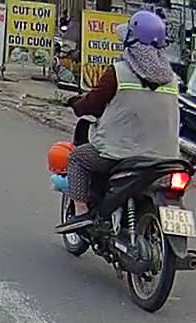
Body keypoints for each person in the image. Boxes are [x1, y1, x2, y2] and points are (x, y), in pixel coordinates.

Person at [57, 10, 180, 234]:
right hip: (165, 157)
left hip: (119, 154)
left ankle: (82, 214)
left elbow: (92, 105)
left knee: (77, 158)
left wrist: (76, 104)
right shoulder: (172, 79)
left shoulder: (118, 72)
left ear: (131, 42)